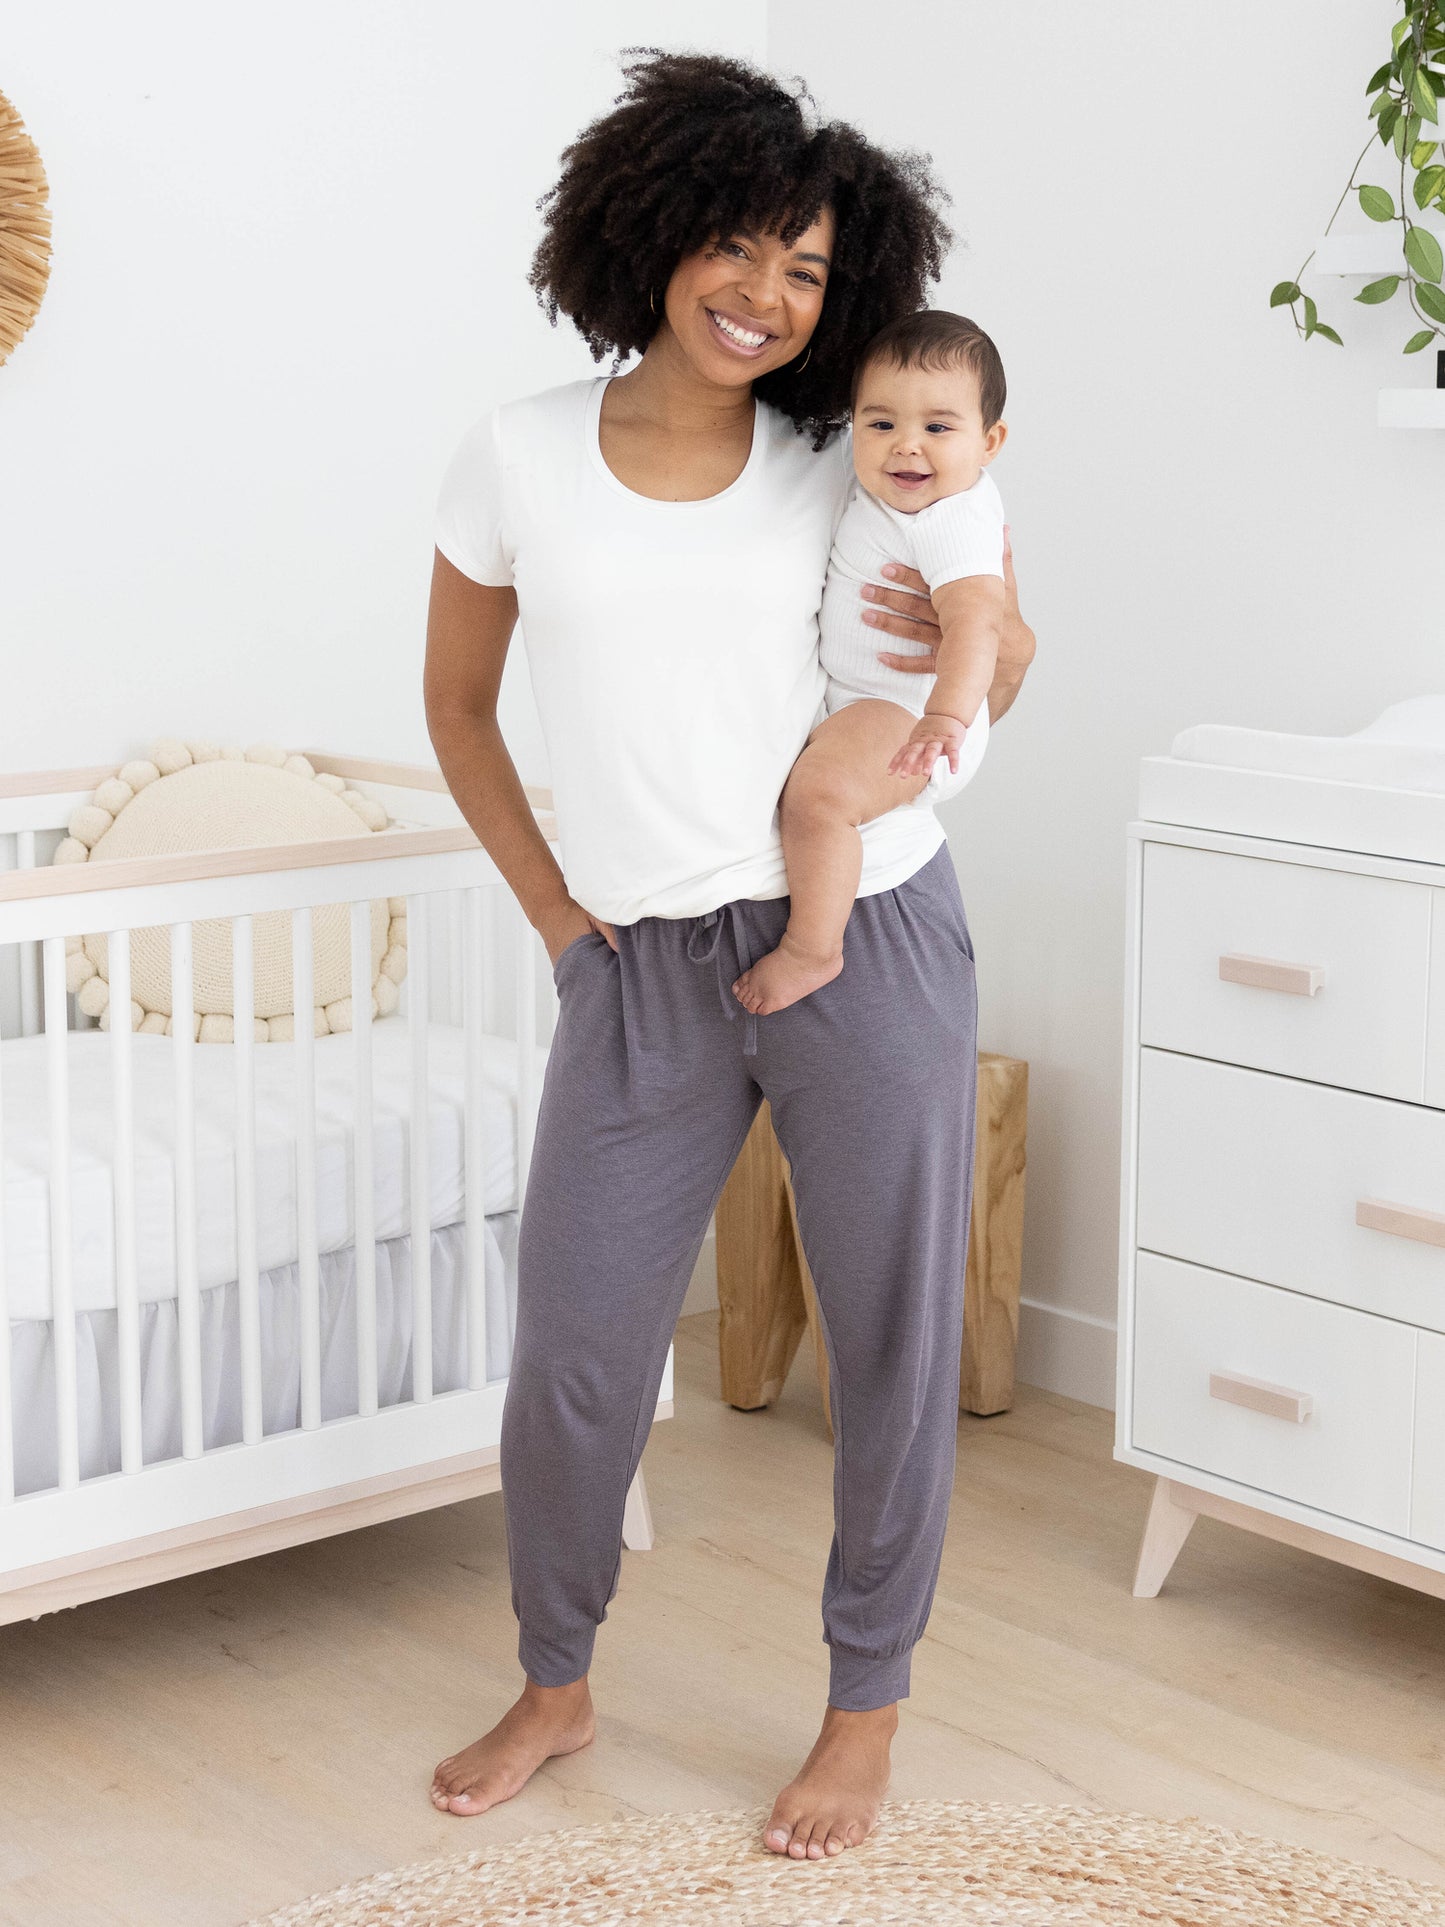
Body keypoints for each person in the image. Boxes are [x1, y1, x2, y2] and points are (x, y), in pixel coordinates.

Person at [423, 49, 1036, 1861]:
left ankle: (864, 1706)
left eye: (810, 270)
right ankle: (556, 1676)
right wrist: (555, 918)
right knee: (578, 1354)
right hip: (641, 967)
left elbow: (1002, 641)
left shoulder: (844, 454)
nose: (769, 297)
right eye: (744, 248)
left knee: (890, 1334)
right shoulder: (518, 451)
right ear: (659, 224)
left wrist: (966, 674)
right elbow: (459, 708)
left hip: (867, 931)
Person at [734, 308, 1009, 1017]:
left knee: (817, 800)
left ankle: (812, 947)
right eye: (880, 424)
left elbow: (978, 618)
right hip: (877, 705)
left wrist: (943, 715)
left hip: (910, 713)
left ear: (990, 441)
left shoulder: (952, 516)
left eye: (937, 428)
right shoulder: (883, 496)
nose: (905, 447)